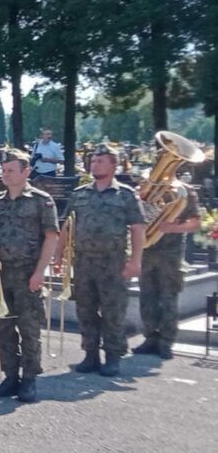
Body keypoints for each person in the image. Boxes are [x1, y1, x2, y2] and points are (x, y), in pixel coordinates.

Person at [56, 143, 145, 377]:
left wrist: (136, 261)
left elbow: (137, 229)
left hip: (113, 262)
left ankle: (113, 356)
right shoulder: (79, 194)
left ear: (114, 165)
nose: (94, 165)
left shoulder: (125, 195)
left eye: (100, 161)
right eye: (93, 161)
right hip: (83, 262)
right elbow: (67, 226)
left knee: (113, 311)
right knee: (85, 309)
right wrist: (58, 255)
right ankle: (91, 354)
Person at [0, 150, 59, 402]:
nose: (5, 174)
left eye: (11, 170)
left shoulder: (41, 200)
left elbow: (51, 237)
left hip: (28, 273)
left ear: (26, 172)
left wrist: (40, 272)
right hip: (0, 273)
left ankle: (30, 378)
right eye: (3, 170)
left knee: (29, 328)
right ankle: (11, 376)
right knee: (3, 327)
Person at [133, 176, 200, 360]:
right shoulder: (147, 187)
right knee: (146, 297)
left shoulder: (184, 191)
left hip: (171, 253)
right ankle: (150, 338)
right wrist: (140, 198)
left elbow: (195, 223)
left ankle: (166, 342)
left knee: (168, 298)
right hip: (147, 251)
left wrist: (172, 228)